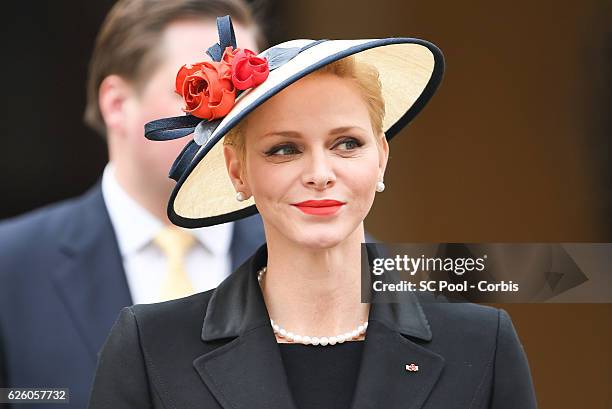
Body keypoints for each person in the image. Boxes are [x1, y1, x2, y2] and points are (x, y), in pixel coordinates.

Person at [88, 16, 537, 409]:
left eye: (347, 144)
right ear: (238, 170)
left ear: (381, 156)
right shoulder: (150, 348)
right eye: (285, 149)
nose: (320, 173)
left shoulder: (482, 344)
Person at [0, 2, 265, 408]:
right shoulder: (11, 265)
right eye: (203, 90)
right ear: (117, 104)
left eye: (246, 94)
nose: (230, 116)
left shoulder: (324, 254)